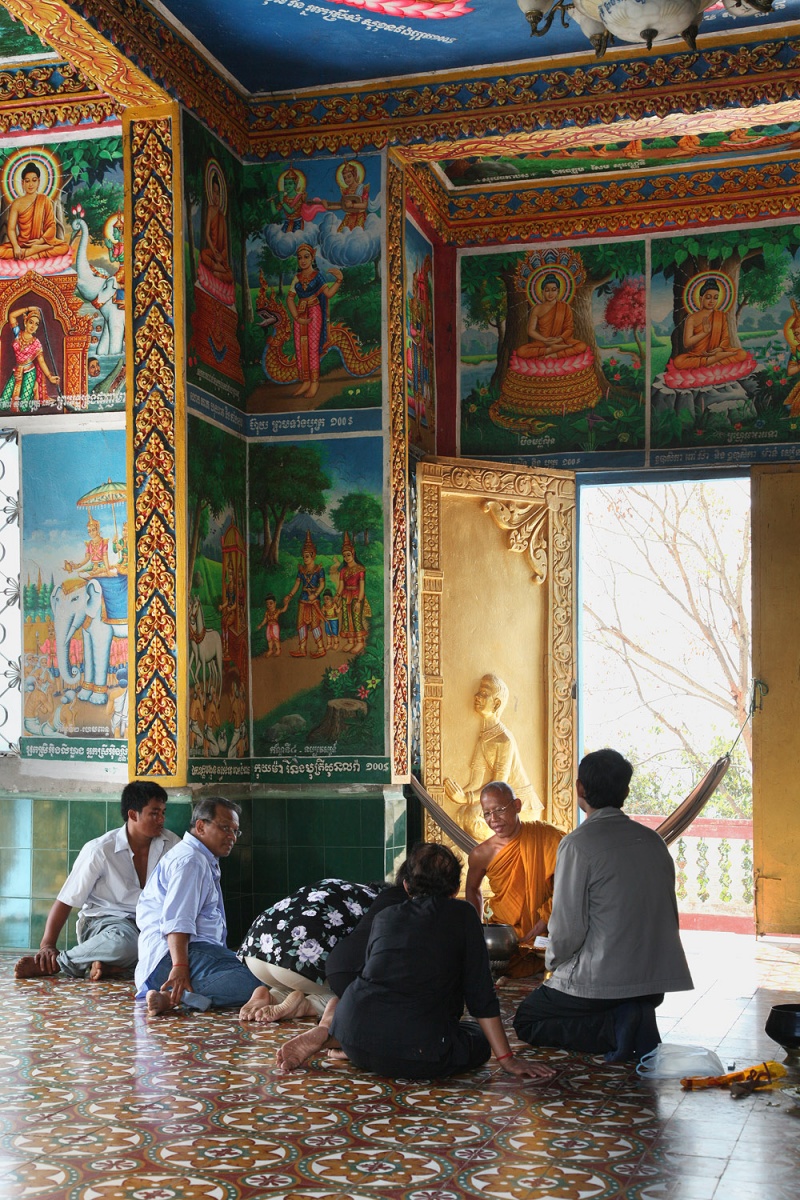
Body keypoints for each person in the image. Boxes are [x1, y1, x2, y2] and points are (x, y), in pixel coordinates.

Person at [280, 842, 557, 1083]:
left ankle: (333, 1038)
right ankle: (353, 1043)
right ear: (456, 887)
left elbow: (373, 974)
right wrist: (508, 1059)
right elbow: (480, 995)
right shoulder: (463, 914)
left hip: (356, 1033)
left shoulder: (385, 916)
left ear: (406, 885)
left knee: (385, 1016)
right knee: (477, 1039)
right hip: (421, 1052)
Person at [513, 749, 694, 1063]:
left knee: (527, 1020)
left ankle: (616, 1026)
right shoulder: (653, 841)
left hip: (602, 982)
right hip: (653, 984)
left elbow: (568, 927)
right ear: (625, 790)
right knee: (596, 994)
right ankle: (631, 1012)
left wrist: (554, 964)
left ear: (580, 789)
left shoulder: (578, 844)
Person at [14, 782, 178, 981]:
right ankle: (60, 963)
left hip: (148, 924)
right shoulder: (99, 850)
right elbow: (66, 899)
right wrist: (47, 945)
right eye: (154, 813)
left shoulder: (172, 845)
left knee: (174, 951)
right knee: (125, 943)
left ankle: (109, 967)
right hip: (105, 924)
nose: (161, 819)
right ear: (133, 814)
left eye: (163, 812)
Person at [135, 796, 268, 1016]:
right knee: (258, 979)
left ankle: (175, 995)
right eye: (225, 828)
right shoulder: (191, 861)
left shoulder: (200, 857)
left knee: (259, 968)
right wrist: (179, 968)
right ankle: (177, 996)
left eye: (235, 831)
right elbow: (177, 920)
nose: (231, 837)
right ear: (200, 826)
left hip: (183, 956)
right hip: (174, 957)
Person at [237, 878, 385, 1023]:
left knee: (291, 981)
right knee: (353, 990)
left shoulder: (342, 887)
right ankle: (307, 1005)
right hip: (297, 961)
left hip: (255, 954)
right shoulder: (382, 904)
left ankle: (272, 996)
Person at [465, 781, 563, 954]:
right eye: (487, 813)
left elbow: (571, 880)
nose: (493, 819)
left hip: (549, 931)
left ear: (517, 806)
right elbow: (472, 889)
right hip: (505, 937)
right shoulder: (481, 854)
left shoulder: (547, 836)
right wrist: (477, 930)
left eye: (499, 810)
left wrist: (548, 915)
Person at [444, 674, 542, 839]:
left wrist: (465, 798)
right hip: (501, 803)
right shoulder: (485, 737)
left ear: (496, 703)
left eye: (483, 694)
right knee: (461, 814)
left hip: (521, 806)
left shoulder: (504, 740)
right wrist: (458, 796)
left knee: (471, 817)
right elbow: (476, 782)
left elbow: (499, 788)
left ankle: (503, 852)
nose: (477, 697)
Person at [286, 242, 343, 399]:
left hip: (314, 312)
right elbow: (289, 299)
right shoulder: (296, 278)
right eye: (300, 258)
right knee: (299, 348)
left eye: (306, 257)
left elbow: (328, 294)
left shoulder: (318, 276)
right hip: (300, 313)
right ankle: (305, 381)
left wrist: (338, 281)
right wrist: (296, 317)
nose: (303, 260)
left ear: (312, 258)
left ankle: (315, 382)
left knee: (312, 347)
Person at [672, 276, 750, 370]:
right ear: (701, 298)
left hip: (717, 352)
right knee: (678, 361)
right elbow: (687, 343)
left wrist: (720, 348)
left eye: (715, 298)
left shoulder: (720, 315)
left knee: (741, 354)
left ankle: (712, 362)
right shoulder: (692, 318)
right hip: (698, 355)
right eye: (708, 297)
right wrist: (704, 333)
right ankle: (715, 362)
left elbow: (725, 338)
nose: (712, 301)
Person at [0, 161, 70, 260]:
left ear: (39, 182)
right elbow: (11, 229)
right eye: (27, 181)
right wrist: (16, 246)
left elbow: (51, 226)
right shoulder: (17, 203)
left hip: (41, 242)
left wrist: (40, 241)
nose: (31, 184)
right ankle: (31, 252)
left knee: (64, 247)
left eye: (34, 180)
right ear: (23, 183)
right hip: (22, 244)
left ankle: (34, 253)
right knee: (1, 251)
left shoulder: (45, 200)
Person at [516, 273, 589, 361]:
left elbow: (569, 328)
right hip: (542, 342)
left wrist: (558, 339)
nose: (550, 293)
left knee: (582, 346)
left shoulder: (565, 307)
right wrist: (545, 340)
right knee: (521, 351)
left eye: (553, 290)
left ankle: (552, 355)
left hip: (560, 341)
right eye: (547, 290)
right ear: (542, 291)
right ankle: (551, 350)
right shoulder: (537, 308)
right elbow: (531, 330)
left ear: (558, 291)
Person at [0, 306, 60, 413]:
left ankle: (33, 391)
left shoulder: (36, 343)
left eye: (36, 324)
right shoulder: (18, 334)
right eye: (31, 322)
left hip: (29, 372)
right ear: (25, 322)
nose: (33, 326)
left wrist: (50, 377)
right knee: (3, 404)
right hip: (17, 371)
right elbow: (11, 316)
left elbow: (41, 361)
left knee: (24, 407)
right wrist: (28, 308)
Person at [283, 529, 327, 658]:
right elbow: (297, 584)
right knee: (301, 624)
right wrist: (290, 595)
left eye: (307, 556)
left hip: (314, 600)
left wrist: (316, 594)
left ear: (313, 555)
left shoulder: (319, 569)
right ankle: (302, 648)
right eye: (303, 556)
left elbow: (322, 584)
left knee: (315, 624)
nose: (305, 559)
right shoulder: (301, 570)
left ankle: (320, 648)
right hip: (303, 599)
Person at [334, 532, 369, 654]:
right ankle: (350, 641)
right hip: (345, 596)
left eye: (348, 555)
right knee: (346, 618)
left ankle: (359, 642)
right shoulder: (343, 570)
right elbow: (341, 585)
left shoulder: (360, 569)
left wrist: (359, 601)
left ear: (353, 554)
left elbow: (362, 586)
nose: (347, 558)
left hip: (356, 596)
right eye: (344, 556)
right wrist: (337, 597)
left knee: (355, 618)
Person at [199, 171, 234, 286]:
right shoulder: (210, 210)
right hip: (213, 252)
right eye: (214, 192)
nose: (216, 197)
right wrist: (214, 252)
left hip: (220, 256)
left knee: (230, 276)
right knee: (203, 254)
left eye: (218, 193)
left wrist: (222, 256)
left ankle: (218, 272)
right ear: (210, 193)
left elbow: (225, 245)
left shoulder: (222, 217)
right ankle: (218, 269)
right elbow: (207, 234)